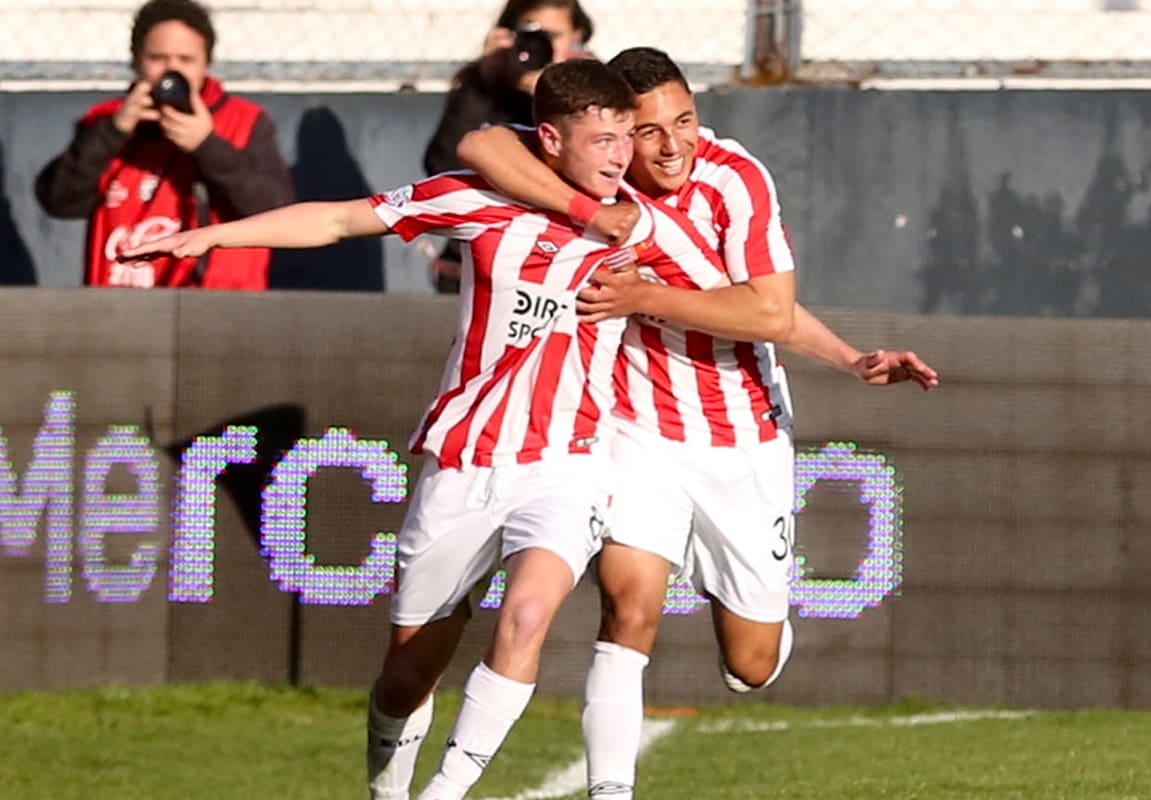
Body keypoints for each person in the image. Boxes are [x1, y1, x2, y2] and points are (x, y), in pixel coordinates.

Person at [121, 58, 738, 800]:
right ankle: (389, 786)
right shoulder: (480, 201)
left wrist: (840, 351)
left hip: (566, 463)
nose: (620, 155)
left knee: (530, 612)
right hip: (464, 463)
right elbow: (343, 216)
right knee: (406, 677)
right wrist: (214, 237)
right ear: (548, 139)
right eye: (601, 140)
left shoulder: (640, 222)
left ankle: (444, 793)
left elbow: (758, 302)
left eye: (622, 139)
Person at [457, 46, 939, 799]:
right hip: (639, 431)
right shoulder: (593, 177)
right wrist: (590, 212)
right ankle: (611, 792)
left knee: (749, 664)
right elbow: (479, 144)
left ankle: (747, 603)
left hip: (745, 440)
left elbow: (767, 311)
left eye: (685, 120)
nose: (673, 143)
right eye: (647, 131)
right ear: (618, 132)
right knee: (629, 610)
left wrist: (848, 359)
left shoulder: (733, 176)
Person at [34, 0, 292, 289]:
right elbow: (60, 200)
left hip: (214, 305)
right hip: (120, 301)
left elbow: (274, 209)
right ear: (136, 61)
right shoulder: (107, 120)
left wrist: (207, 145)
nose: (172, 70)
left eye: (186, 59)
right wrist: (114, 133)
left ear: (206, 63)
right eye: (158, 58)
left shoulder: (243, 120)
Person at [422, 0, 595, 293]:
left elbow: (589, 172)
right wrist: (483, 78)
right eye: (531, 33)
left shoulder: (595, 87)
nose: (540, 45)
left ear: (577, 37)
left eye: (552, 36)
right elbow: (442, 165)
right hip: (477, 262)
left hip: (555, 262)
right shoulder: (488, 87)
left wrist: (552, 95)